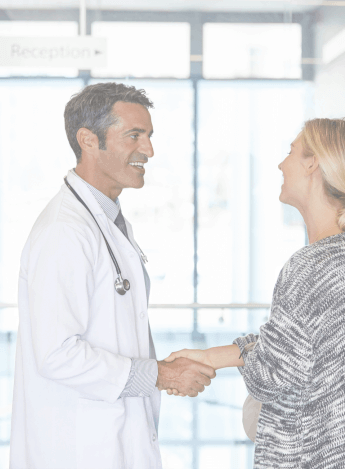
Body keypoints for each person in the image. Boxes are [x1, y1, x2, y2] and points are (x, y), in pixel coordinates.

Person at [9, 82, 216, 469]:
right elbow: (56, 354)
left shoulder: (105, 219)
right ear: (88, 140)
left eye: (149, 136)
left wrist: (161, 373)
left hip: (108, 438)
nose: (149, 150)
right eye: (134, 136)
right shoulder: (65, 231)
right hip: (78, 448)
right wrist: (160, 375)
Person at [165, 117, 345, 468]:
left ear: (312, 163)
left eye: (291, 152)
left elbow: (272, 376)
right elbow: (297, 349)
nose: (281, 164)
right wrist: (210, 357)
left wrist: (206, 363)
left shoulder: (310, 266)